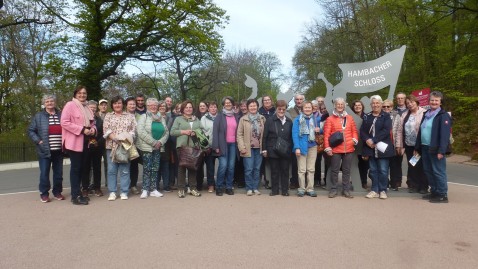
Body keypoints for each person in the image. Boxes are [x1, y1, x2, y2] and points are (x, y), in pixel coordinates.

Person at [60, 86, 96, 205]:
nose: (82, 95)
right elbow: (64, 122)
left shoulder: (87, 107)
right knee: (76, 169)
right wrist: (81, 129)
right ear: (75, 94)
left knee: (83, 169)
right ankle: (75, 196)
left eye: (84, 93)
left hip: (86, 142)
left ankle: (79, 192)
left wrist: (93, 130)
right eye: (80, 93)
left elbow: (93, 123)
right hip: (75, 142)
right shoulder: (70, 105)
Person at [414, 91, 452, 203]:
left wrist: (442, 150)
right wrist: (417, 147)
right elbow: (421, 131)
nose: (434, 102)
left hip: (436, 148)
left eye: (436, 100)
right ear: (429, 101)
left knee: (438, 171)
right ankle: (434, 191)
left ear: (440, 102)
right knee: (428, 170)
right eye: (432, 100)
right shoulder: (426, 114)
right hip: (425, 147)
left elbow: (445, 136)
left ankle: (442, 194)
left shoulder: (443, 116)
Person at [28, 94, 64, 203]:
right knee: (44, 173)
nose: (49, 103)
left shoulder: (61, 114)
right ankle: (44, 193)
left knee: (58, 173)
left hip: (59, 150)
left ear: (55, 102)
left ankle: (57, 192)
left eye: (51, 101)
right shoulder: (38, 116)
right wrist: (39, 141)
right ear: (44, 103)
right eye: (47, 101)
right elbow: (31, 130)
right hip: (44, 150)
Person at [103, 96, 137, 201]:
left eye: (119, 103)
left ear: (123, 104)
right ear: (112, 105)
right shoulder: (108, 116)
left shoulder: (130, 116)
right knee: (111, 170)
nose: (117, 105)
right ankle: (112, 192)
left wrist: (124, 139)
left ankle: (124, 191)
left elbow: (133, 130)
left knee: (125, 170)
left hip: (125, 146)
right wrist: (116, 139)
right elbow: (106, 129)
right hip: (111, 146)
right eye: (115, 103)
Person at [323, 97, 359, 198]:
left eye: (341, 104)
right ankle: (334, 189)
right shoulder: (330, 119)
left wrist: (354, 140)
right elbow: (326, 135)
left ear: (344, 106)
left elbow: (354, 131)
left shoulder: (350, 118)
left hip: (349, 148)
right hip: (335, 149)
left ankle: (346, 190)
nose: (340, 106)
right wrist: (328, 148)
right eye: (338, 104)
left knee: (346, 170)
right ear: (335, 105)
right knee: (334, 170)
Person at [361, 95, 395, 199]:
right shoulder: (367, 116)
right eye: (373, 103)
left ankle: (383, 190)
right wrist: (367, 140)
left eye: (377, 103)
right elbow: (362, 131)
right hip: (370, 148)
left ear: (381, 104)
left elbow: (386, 130)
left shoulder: (386, 116)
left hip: (383, 148)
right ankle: (374, 190)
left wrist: (374, 140)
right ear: (370, 105)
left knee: (383, 170)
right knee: (373, 170)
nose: (375, 105)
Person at [136, 98, 169, 199]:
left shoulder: (161, 118)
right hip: (147, 148)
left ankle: (153, 189)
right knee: (147, 168)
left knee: (155, 168)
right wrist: (153, 142)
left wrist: (160, 142)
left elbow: (166, 132)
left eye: (155, 105)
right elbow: (140, 131)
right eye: (151, 105)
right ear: (147, 107)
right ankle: (145, 189)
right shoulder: (144, 116)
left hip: (158, 147)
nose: (153, 107)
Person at [395, 95, 427, 194]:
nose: (410, 104)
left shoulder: (424, 113)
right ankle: (414, 185)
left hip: (421, 145)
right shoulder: (405, 115)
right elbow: (400, 131)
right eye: (408, 103)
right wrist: (399, 145)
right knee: (412, 165)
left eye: (411, 102)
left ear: (416, 102)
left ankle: (424, 186)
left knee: (422, 165)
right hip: (409, 145)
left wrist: (418, 147)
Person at [170, 100, 202, 198]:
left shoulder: (197, 120)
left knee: (193, 168)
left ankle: (192, 188)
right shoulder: (178, 119)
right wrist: (184, 132)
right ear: (183, 109)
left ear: (193, 109)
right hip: (182, 147)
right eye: (186, 107)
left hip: (194, 147)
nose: (188, 109)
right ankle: (181, 189)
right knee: (181, 168)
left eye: (190, 107)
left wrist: (196, 133)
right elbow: (172, 132)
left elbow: (201, 131)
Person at [262, 100, 292, 196]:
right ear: (276, 109)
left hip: (285, 150)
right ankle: (274, 190)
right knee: (274, 171)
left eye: (283, 109)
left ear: (285, 109)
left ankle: (285, 190)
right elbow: (265, 136)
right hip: (272, 149)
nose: (281, 111)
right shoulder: (270, 120)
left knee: (285, 170)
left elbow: (291, 136)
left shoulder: (289, 121)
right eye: (279, 109)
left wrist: (290, 149)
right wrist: (264, 149)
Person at [237, 99, 266, 196]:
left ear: (257, 107)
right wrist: (242, 147)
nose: (253, 107)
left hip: (259, 148)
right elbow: (239, 134)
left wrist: (265, 148)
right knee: (249, 169)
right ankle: (249, 188)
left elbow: (265, 134)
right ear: (248, 107)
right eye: (251, 106)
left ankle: (255, 187)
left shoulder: (262, 118)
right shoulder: (243, 119)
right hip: (247, 148)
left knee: (257, 169)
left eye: (254, 106)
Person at [212, 96, 239, 196]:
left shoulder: (236, 116)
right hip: (222, 145)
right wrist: (216, 146)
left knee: (231, 167)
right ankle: (219, 187)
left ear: (232, 104)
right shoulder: (219, 116)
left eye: (229, 102)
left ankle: (229, 186)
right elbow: (215, 132)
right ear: (223, 104)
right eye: (226, 103)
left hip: (233, 145)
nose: (228, 104)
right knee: (223, 166)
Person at [292, 101, 319, 197]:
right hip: (301, 147)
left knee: (311, 169)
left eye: (309, 107)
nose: (307, 109)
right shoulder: (297, 119)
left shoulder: (316, 119)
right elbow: (294, 134)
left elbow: (321, 129)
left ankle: (310, 189)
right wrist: (297, 147)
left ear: (312, 109)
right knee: (302, 170)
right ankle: (302, 188)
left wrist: (319, 129)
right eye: (306, 107)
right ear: (302, 109)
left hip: (313, 146)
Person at [382, 99, 403, 191]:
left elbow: (399, 131)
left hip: (393, 144)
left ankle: (394, 184)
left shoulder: (397, 116)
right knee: (384, 165)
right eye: (384, 106)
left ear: (392, 107)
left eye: (388, 106)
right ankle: (385, 183)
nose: (386, 108)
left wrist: (398, 145)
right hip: (383, 145)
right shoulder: (380, 115)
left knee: (394, 165)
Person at [389, 93, 408, 190]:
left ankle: (412, 182)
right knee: (395, 162)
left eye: (402, 98)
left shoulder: (410, 110)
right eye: (398, 98)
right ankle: (395, 182)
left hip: (408, 140)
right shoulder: (393, 111)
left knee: (412, 163)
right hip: (396, 141)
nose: (400, 100)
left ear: (405, 99)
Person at [86, 100, 104, 197]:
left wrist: (98, 142)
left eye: (94, 107)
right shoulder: (83, 118)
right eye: (90, 107)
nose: (92, 109)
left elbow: (103, 133)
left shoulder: (99, 119)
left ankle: (97, 187)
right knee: (86, 168)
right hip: (86, 146)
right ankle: (85, 187)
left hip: (97, 147)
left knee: (97, 168)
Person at [287, 93, 305, 189]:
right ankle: (294, 181)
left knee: (305, 163)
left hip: (305, 140)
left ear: (303, 100)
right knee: (294, 162)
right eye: (297, 99)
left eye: (300, 99)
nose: (299, 101)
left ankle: (304, 182)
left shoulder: (308, 110)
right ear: (294, 100)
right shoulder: (289, 111)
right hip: (294, 140)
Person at [200, 101, 218, 193]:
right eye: (211, 107)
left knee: (223, 166)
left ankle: (221, 183)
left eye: (215, 107)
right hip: (209, 146)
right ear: (208, 108)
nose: (213, 109)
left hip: (219, 145)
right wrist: (206, 146)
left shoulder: (220, 117)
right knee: (210, 166)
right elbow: (202, 131)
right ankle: (211, 185)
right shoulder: (204, 118)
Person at [125, 96, 141, 194]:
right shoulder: (122, 115)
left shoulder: (140, 116)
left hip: (137, 144)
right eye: (130, 104)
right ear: (126, 106)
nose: (132, 106)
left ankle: (133, 185)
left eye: (133, 104)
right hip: (125, 143)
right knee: (125, 166)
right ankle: (125, 186)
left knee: (134, 166)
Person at [258, 95, 275, 189]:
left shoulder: (275, 111)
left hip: (272, 140)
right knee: (261, 162)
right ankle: (261, 181)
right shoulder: (259, 111)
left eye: (269, 100)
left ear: (271, 101)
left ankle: (270, 181)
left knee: (270, 161)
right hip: (261, 139)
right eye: (265, 100)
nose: (267, 101)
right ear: (262, 102)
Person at [351, 99, 369, 189]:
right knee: (354, 164)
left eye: (359, 105)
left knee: (364, 164)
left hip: (364, 143)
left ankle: (364, 181)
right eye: (355, 105)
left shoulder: (366, 117)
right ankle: (355, 180)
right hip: (353, 143)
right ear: (353, 107)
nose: (357, 107)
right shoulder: (350, 117)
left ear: (362, 107)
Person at [157, 100, 173, 192]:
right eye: (160, 106)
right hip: (155, 144)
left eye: (164, 106)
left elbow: (168, 130)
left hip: (166, 144)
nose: (162, 107)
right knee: (157, 166)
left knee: (166, 166)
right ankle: (156, 186)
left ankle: (166, 186)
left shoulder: (169, 118)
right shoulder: (154, 117)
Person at [98, 99, 109, 186]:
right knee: (95, 165)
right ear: (99, 106)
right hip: (97, 143)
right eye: (102, 105)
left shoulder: (110, 116)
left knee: (108, 164)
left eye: (105, 105)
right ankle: (94, 184)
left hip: (107, 143)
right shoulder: (94, 115)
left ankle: (108, 183)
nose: (103, 106)